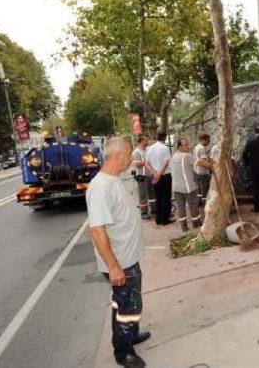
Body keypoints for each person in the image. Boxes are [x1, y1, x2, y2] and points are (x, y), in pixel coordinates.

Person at [86, 137, 149, 368]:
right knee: (128, 306)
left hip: (127, 259)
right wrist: (113, 266)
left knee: (126, 303)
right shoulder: (101, 187)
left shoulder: (113, 180)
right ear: (118, 156)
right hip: (121, 264)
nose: (131, 159)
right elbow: (97, 230)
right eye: (129, 154)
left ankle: (129, 335)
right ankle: (124, 352)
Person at [171, 138, 212, 232]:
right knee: (193, 206)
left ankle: (183, 226)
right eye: (185, 145)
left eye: (188, 144)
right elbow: (201, 162)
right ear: (179, 146)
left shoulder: (174, 156)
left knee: (181, 208)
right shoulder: (187, 156)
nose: (188, 146)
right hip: (188, 187)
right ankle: (196, 223)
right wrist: (211, 165)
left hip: (176, 187)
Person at [146, 131, 173, 225]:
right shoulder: (165, 148)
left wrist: (154, 173)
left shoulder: (149, 148)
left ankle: (158, 219)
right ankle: (165, 219)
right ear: (165, 138)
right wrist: (159, 173)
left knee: (158, 197)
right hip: (164, 175)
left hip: (154, 175)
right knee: (166, 198)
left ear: (156, 137)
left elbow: (147, 163)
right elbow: (166, 162)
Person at [242, 126, 259, 212]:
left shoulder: (250, 141)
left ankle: (257, 207)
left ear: (255, 132)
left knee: (256, 187)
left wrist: (247, 163)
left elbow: (244, 153)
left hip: (254, 167)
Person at [132, 135, 151, 220]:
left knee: (151, 194)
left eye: (147, 140)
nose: (147, 142)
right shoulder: (137, 152)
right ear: (140, 142)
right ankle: (143, 212)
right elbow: (138, 165)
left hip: (149, 175)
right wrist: (145, 162)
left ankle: (153, 210)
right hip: (141, 176)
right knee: (143, 195)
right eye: (145, 140)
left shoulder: (147, 150)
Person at [193, 134, 211, 203]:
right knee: (204, 189)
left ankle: (199, 202)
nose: (209, 142)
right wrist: (210, 166)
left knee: (199, 189)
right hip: (203, 172)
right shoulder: (201, 148)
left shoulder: (197, 147)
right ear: (204, 140)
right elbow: (203, 160)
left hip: (197, 171)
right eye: (208, 140)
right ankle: (204, 203)